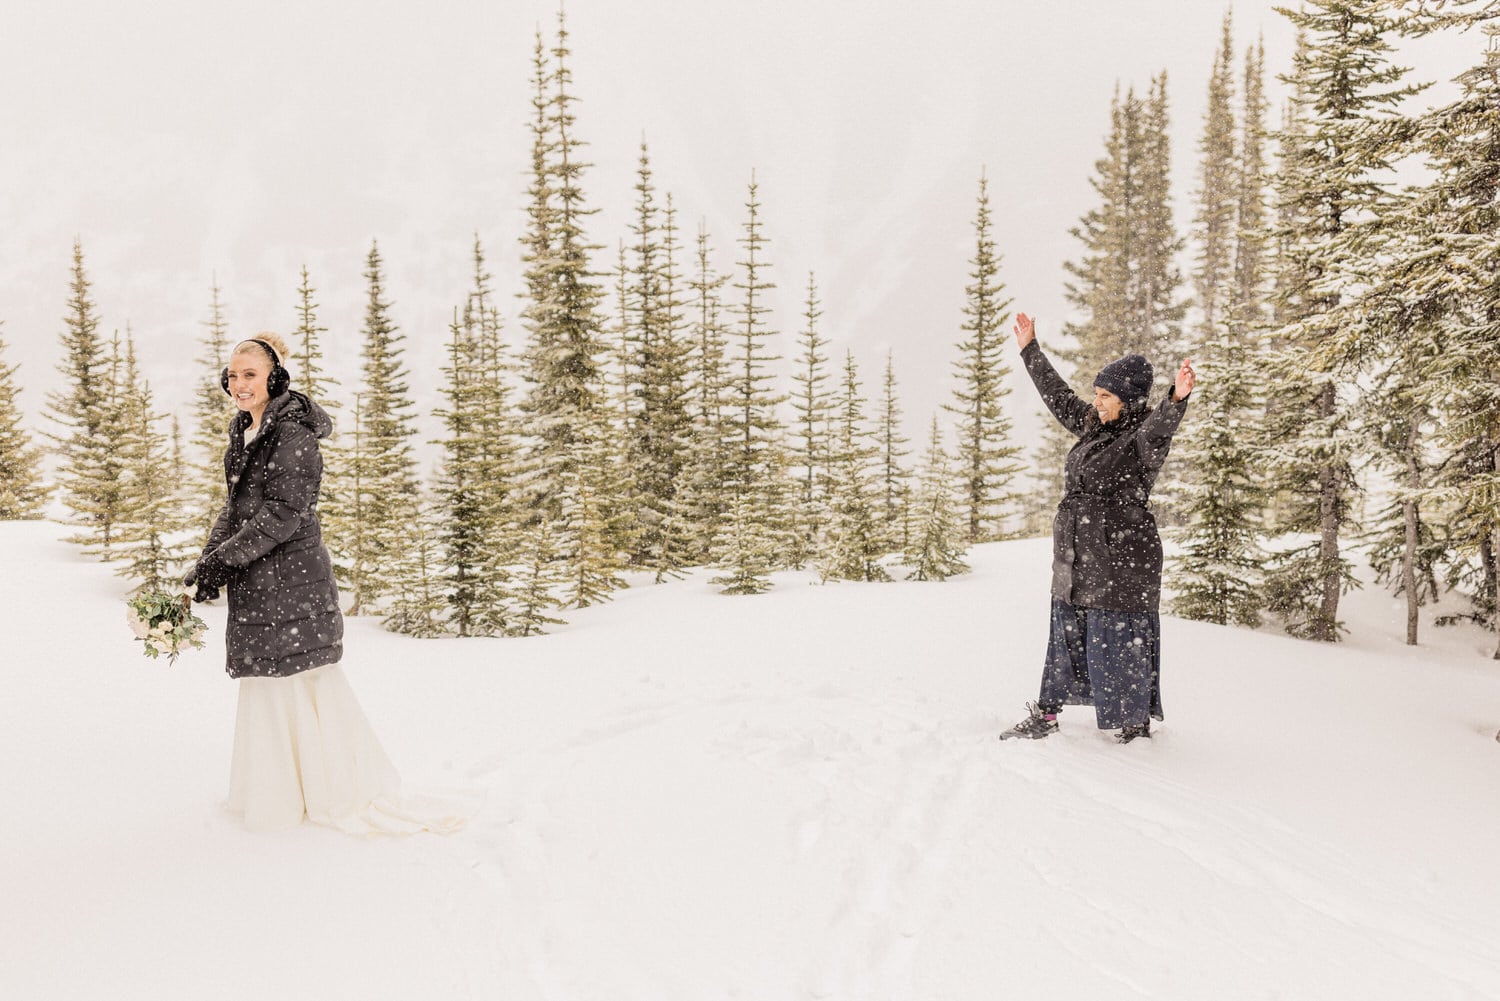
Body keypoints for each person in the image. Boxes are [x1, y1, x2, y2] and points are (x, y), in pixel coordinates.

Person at [185, 333, 463, 834]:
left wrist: (224, 563)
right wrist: (206, 565)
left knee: (296, 681)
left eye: (250, 374)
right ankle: (279, 791)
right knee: (271, 682)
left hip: (290, 577)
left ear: (274, 376)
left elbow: (284, 514)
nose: (239, 383)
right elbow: (237, 508)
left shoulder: (293, 435)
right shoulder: (244, 429)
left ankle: (324, 790)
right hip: (259, 577)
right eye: (233, 374)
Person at [999, 313, 1194, 744]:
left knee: (1119, 641)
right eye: (1097, 394)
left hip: (1121, 559)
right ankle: (1047, 714)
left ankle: (1133, 725)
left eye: (1106, 395)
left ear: (1128, 400)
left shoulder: (1142, 437)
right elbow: (1059, 397)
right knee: (1066, 631)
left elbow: (1161, 429)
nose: (1098, 402)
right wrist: (1030, 349)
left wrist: (1176, 401)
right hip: (1078, 553)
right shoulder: (1094, 425)